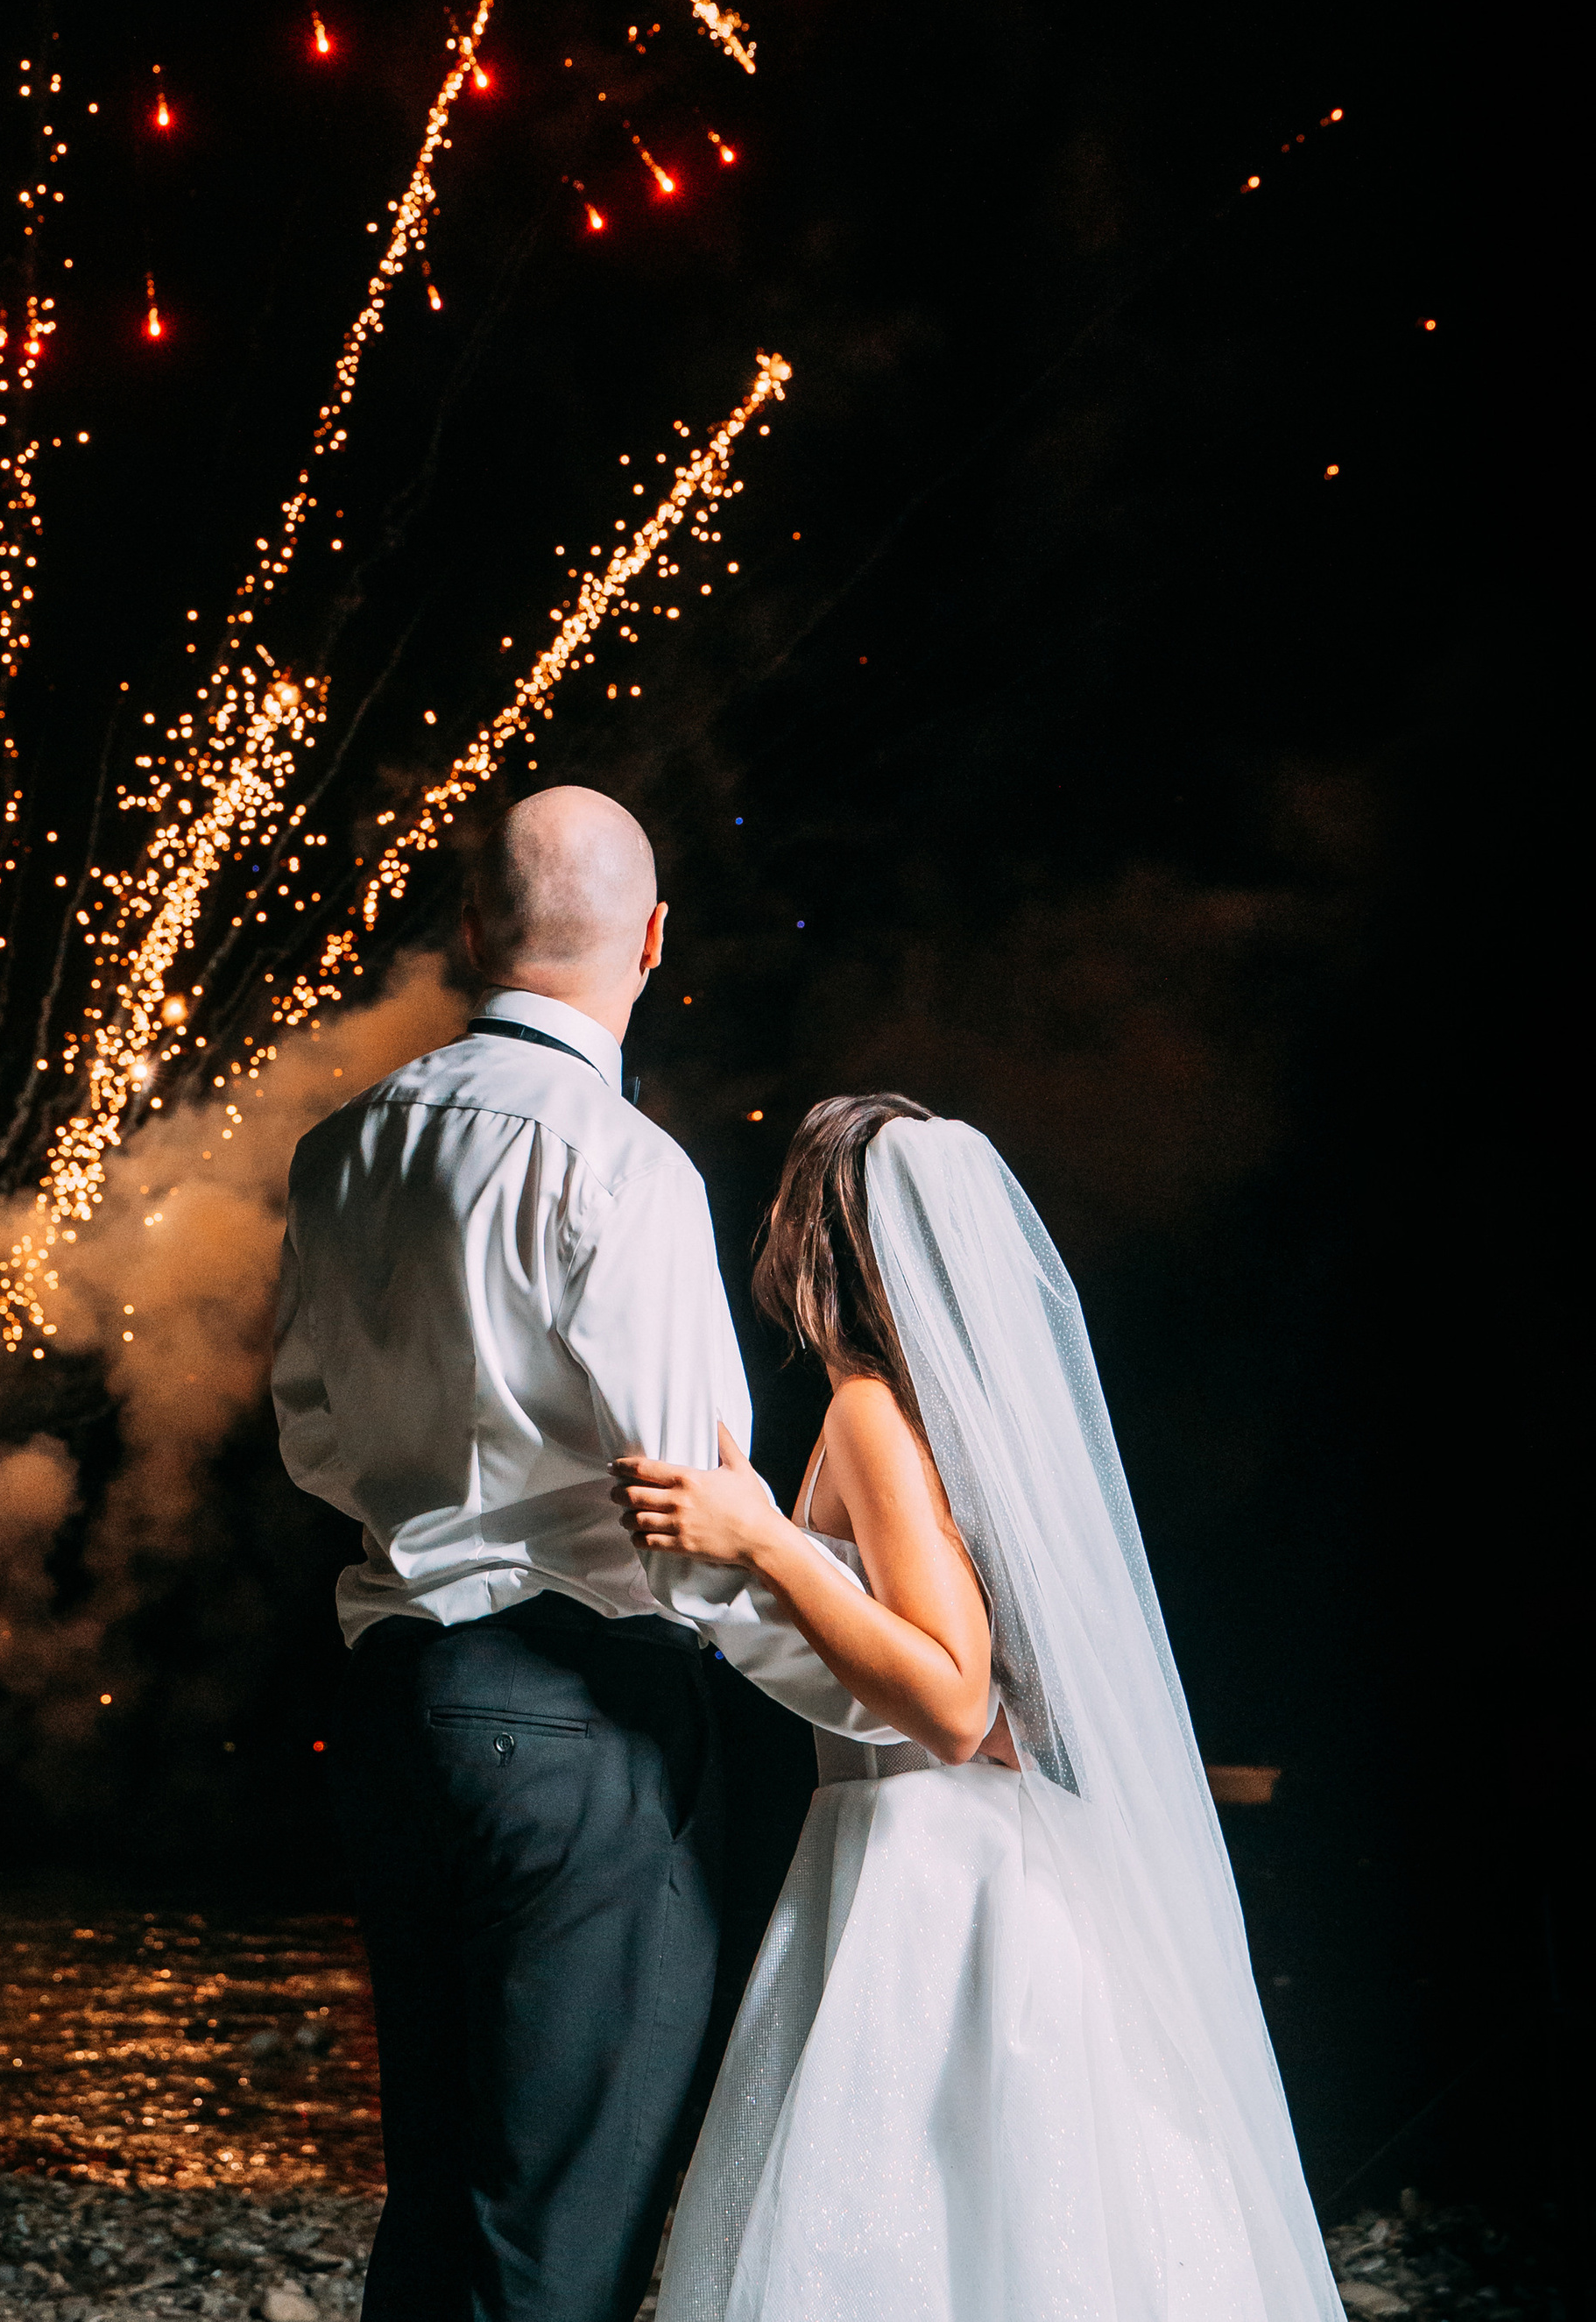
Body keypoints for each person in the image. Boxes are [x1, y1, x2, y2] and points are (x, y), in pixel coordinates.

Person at [275, 789, 876, 2322]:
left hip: (402, 1702)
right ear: (656, 939)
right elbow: (697, 1520)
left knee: (437, 2209)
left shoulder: (346, 1148)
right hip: (580, 1725)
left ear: (471, 930)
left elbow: (314, 1440)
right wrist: (894, 1694)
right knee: (562, 2235)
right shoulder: (624, 1166)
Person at [620, 1095, 1345, 2322]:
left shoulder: (868, 1412)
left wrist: (765, 1544)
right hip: (981, 1859)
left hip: (922, 1870)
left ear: (819, 1240)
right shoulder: (955, 1424)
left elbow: (952, 1703)